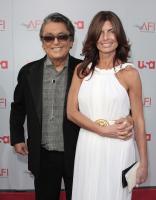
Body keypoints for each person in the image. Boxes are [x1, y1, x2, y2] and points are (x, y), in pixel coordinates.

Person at [10, 12, 133, 200]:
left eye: (62, 36)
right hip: (43, 155)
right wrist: (17, 137)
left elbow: (115, 100)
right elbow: (18, 107)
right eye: (49, 37)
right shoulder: (28, 72)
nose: (55, 42)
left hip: (79, 153)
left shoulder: (85, 70)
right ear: (42, 42)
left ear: (71, 41)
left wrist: (128, 119)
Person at [67, 11, 148, 200]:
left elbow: (138, 119)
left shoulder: (130, 73)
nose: (106, 38)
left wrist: (143, 162)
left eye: (111, 31)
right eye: (101, 32)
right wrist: (101, 130)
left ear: (118, 36)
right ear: (93, 37)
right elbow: (71, 112)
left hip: (119, 146)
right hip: (89, 143)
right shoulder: (82, 70)